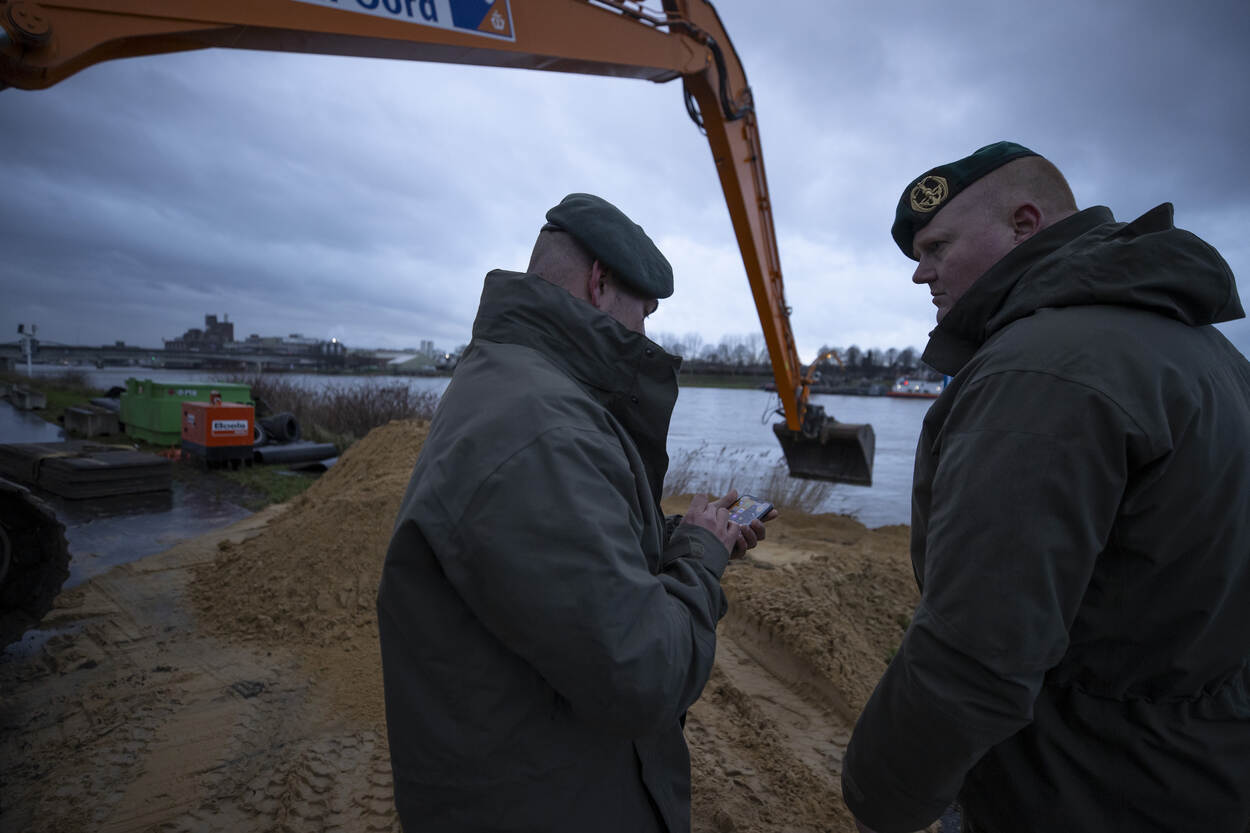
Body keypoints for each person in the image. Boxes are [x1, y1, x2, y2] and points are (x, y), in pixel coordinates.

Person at [841, 142, 1250, 833]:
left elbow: (976, 653)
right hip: (1200, 769)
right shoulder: (1209, 356)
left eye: (937, 245)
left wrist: (880, 797)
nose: (920, 273)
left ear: (1025, 224)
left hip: (1079, 788)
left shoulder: (1040, 373)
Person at [376, 192, 773, 833]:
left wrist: (686, 538)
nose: (644, 333)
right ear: (599, 283)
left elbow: (556, 568)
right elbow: (643, 673)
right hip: (544, 801)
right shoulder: (542, 425)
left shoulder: (517, 386)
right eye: (643, 312)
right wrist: (700, 561)